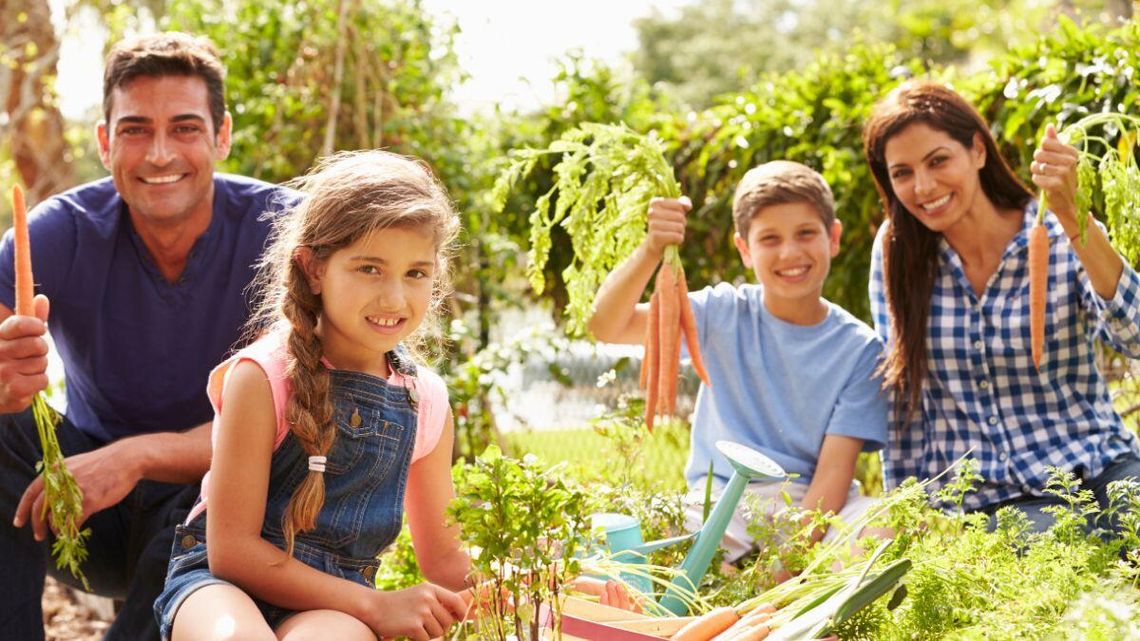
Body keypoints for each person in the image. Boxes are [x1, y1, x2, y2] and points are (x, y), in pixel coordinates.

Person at [0, 33, 295, 640]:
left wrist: (135, 457)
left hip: (214, 511)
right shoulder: (54, 232)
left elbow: (295, 415)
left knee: (266, 471)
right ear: (106, 142)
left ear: (222, 135)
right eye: (135, 129)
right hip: (76, 508)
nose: (160, 154)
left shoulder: (286, 232)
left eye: (185, 127)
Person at [153, 150, 474, 641]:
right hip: (220, 585)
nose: (394, 298)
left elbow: (446, 559)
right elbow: (233, 551)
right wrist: (377, 605)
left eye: (416, 273)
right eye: (369, 268)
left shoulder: (423, 401)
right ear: (314, 268)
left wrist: (552, 580)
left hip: (337, 599)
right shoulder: (263, 377)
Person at [864, 80, 1140, 532]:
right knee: (1064, 554)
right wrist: (909, 517)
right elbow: (904, 400)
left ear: (977, 150)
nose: (924, 186)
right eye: (903, 173)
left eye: (938, 161)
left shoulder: (1056, 227)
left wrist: (1077, 223)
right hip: (997, 505)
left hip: (1101, 469)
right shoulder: (896, 252)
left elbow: (1135, 335)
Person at [588, 161, 889, 566]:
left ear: (832, 238)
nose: (790, 252)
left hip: (810, 505)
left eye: (806, 233)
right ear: (745, 250)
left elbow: (833, 476)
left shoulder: (860, 348)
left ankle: (775, 604)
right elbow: (608, 325)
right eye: (769, 238)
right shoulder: (721, 312)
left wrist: (782, 569)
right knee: (622, 541)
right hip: (718, 502)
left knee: (884, 526)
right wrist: (651, 249)